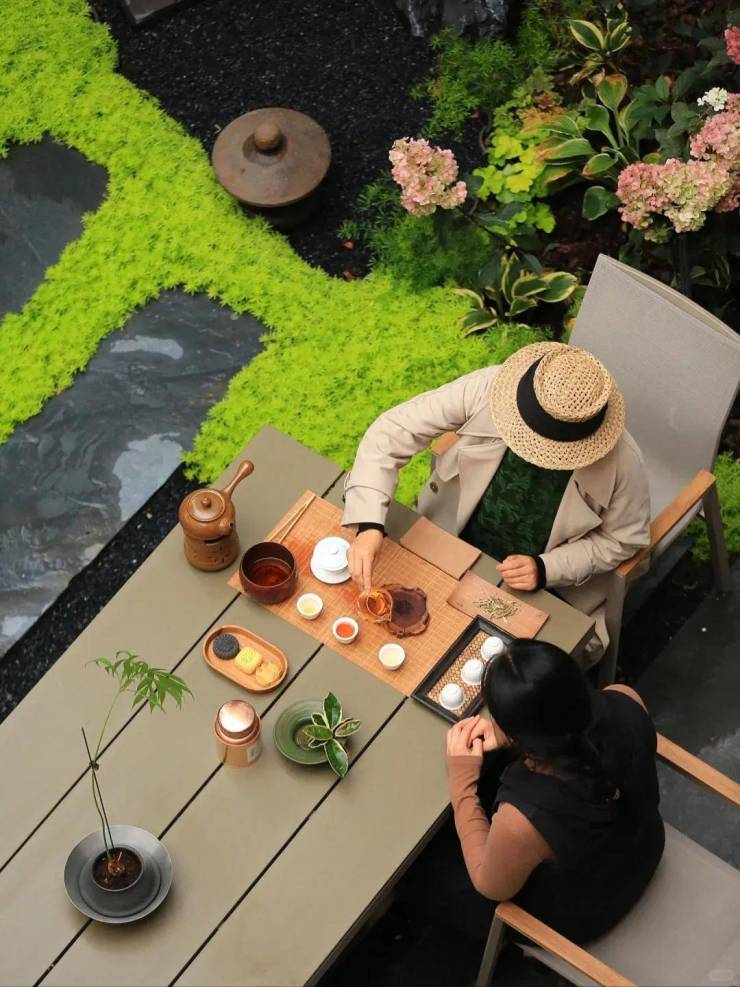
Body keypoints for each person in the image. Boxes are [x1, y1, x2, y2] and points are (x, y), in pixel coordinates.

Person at [343, 341, 651, 665]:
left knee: (491, 672)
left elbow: (623, 540)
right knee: (386, 619)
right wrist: (369, 524)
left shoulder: (624, 462)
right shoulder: (489, 388)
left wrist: (547, 568)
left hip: (545, 591)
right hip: (450, 541)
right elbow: (393, 431)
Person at [444, 640, 665, 944]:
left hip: (591, 912)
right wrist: (512, 737)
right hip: (644, 848)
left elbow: (490, 886)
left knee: (430, 870)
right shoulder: (625, 698)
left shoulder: (524, 819)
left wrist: (462, 783)